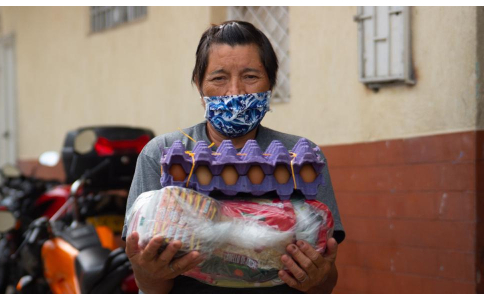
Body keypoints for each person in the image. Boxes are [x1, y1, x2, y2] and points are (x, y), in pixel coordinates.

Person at [123, 20, 345, 294]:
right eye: (219, 78)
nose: (235, 92)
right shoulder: (161, 154)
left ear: (271, 83)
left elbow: (324, 281)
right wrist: (149, 274)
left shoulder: (300, 158)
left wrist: (317, 278)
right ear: (199, 86)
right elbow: (150, 284)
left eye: (250, 76)